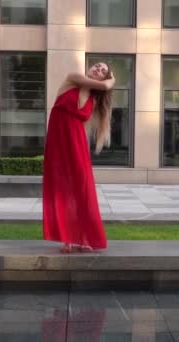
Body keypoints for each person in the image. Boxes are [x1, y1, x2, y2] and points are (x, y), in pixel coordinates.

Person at [42, 62, 116, 253]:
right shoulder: (73, 78)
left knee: (82, 187)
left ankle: (84, 238)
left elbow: (87, 120)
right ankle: (66, 239)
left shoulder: (93, 98)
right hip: (58, 138)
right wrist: (111, 80)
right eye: (97, 66)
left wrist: (107, 84)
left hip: (76, 141)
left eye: (103, 71)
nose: (98, 70)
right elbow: (106, 86)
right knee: (62, 188)